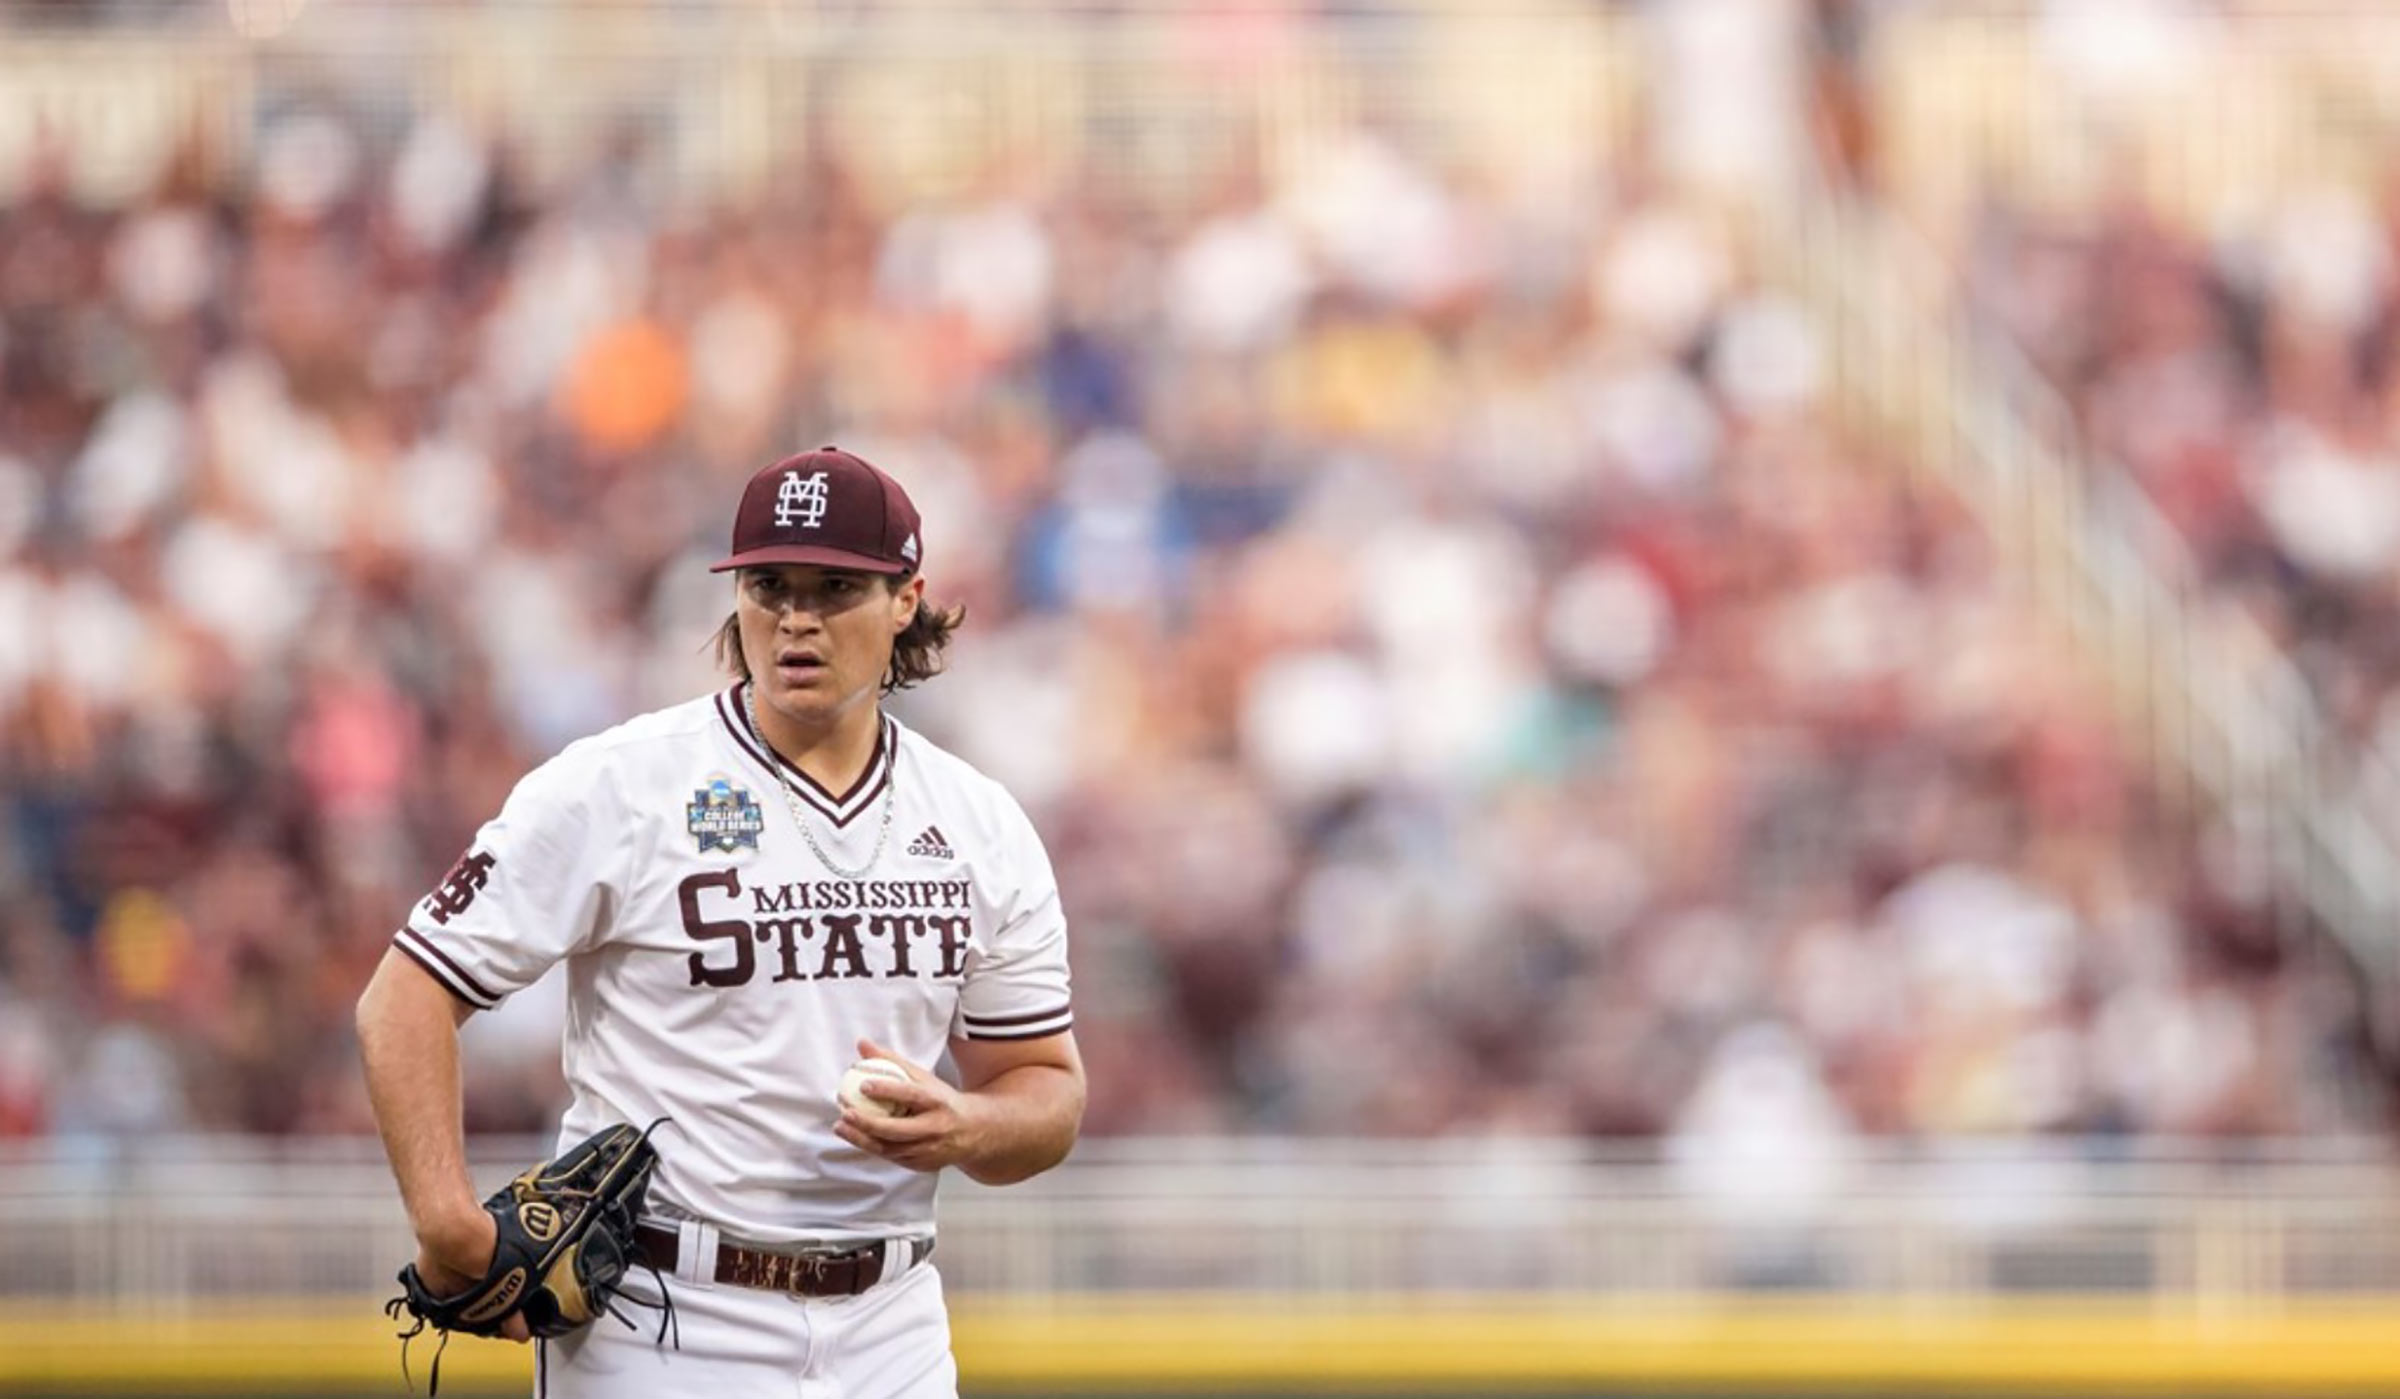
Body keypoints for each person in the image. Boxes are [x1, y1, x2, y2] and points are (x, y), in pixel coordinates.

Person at [355, 446, 1086, 1399]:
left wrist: (970, 1123)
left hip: (891, 1321)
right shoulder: (621, 785)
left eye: (836, 589)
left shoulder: (979, 821)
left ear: (906, 599)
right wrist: (448, 1222)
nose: (796, 619)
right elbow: (404, 996)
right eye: (769, 585)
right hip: (664, 1317)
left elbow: (1047, 1089)